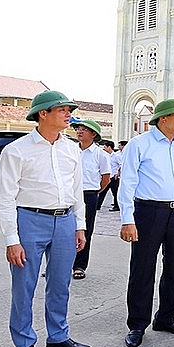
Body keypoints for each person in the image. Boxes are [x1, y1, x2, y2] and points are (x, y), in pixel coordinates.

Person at [0, 91, 92, 347]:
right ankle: (24, 342)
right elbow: (6, 198)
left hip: (64, 220)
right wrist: (12, 240)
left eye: (69, 110)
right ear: (42, 113)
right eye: (62, 110)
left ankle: (58, 335)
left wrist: (80, 224)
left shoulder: (72, 148)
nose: (69, 115)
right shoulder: (16, 150)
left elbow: (77, 190)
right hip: (29, 219)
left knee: (60, 282)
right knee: (24, 285)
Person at [119, 98, 174, 347]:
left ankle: (166, 317)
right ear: (163, 118)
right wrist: (127, 220)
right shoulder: (139, 144)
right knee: (143, 269)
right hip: (148, 212)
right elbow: (127, 183)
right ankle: (137, 324)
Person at [71, 119, 111, 280]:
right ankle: (61, 265)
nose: (79, 132)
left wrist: (94, 193)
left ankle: (79, 265)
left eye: (83, 130)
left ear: (93, 134)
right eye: (78, 129)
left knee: (85, 230)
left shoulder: (101, 154)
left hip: (89, 195)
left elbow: (106, 179)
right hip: (70, 195)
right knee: (63, 230)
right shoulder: (71, 150)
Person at [97, 140, 121, 211]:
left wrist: (118, 173)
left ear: (109, 147)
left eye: (105, 147)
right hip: (107, 177)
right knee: (102, 191)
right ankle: (97, 206)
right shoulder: (105, 155)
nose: (103, 148)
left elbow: (121, 164)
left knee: (115, 193)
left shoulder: (116, 156)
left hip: (114, 178)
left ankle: (117, 206)